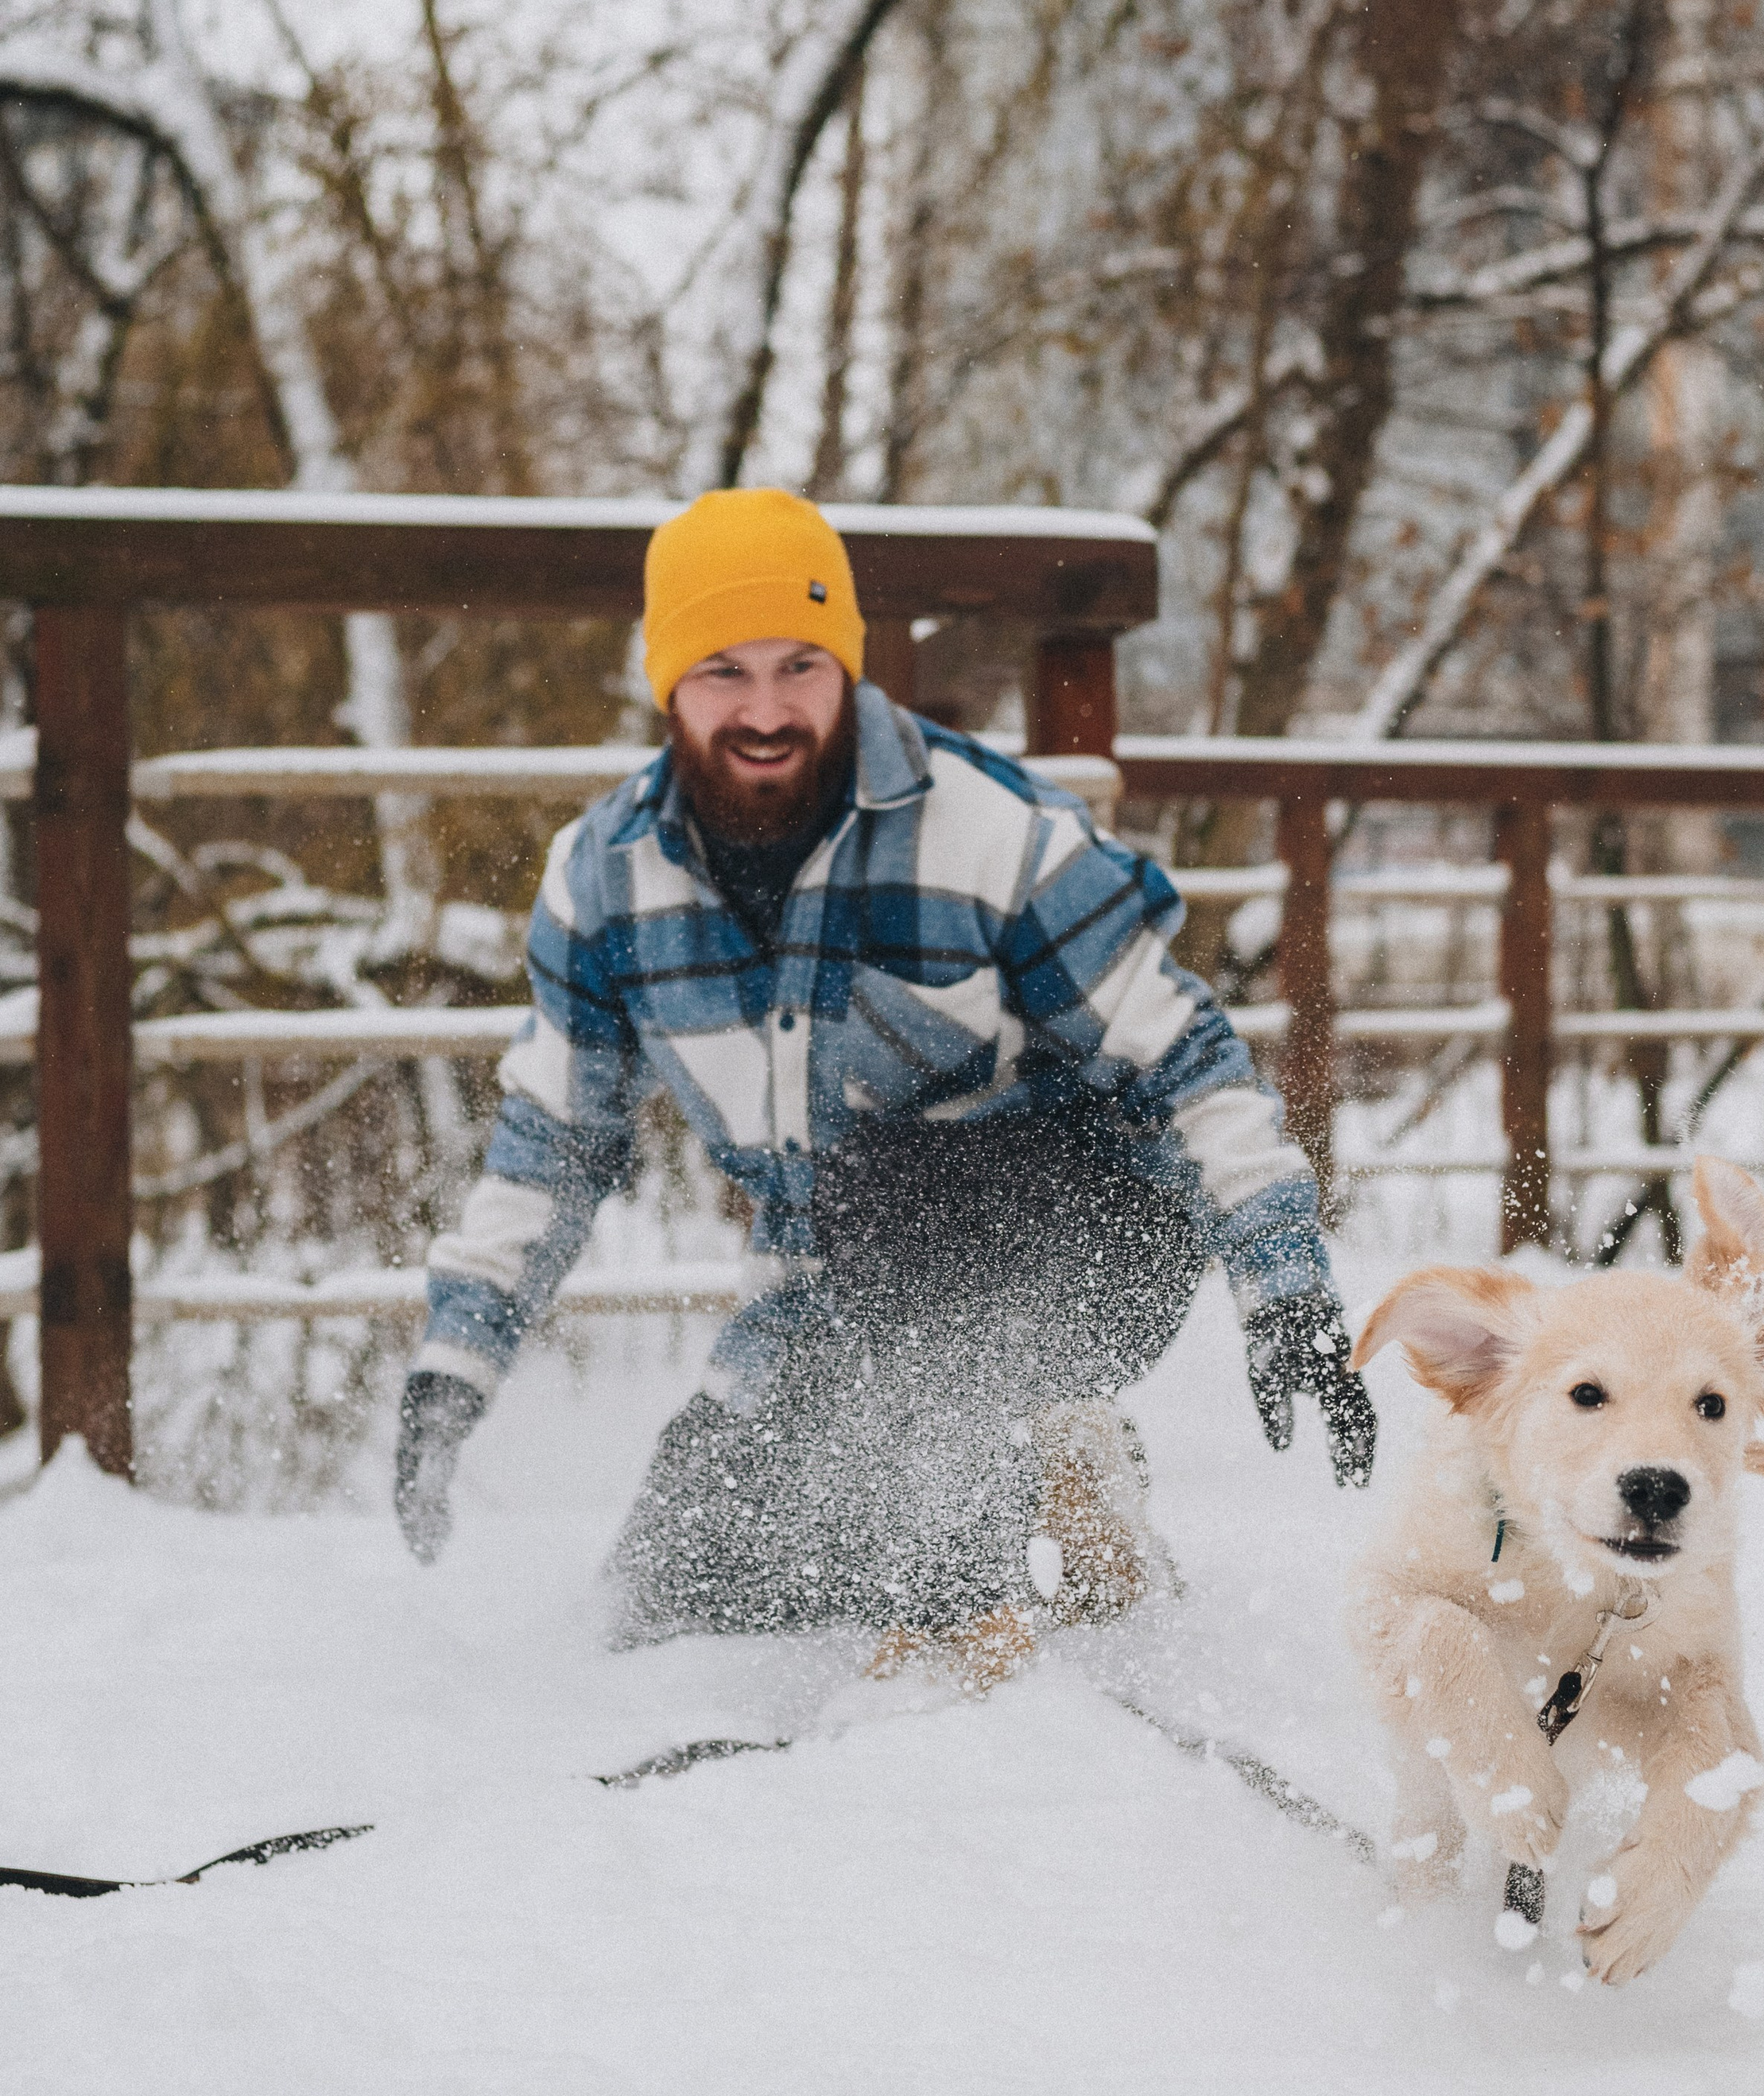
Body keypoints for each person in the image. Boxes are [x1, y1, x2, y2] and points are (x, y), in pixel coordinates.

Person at [394, 487, 1374, 1683]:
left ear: (848, 670)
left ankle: (966, 1608)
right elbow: (553, 1142)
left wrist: (1282, 1279)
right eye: (723, 672)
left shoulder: (990, 830)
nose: (765, 710)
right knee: (681, 1591)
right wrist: (457, 1360)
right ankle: (1064, 1476)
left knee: (893, 1229)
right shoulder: (602, 883)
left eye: (800, 666)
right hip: (840, 1283)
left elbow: (1183, 1058)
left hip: (1084, 1232)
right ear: (666, 684)